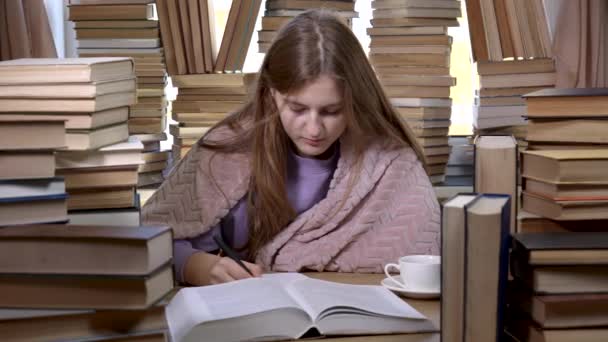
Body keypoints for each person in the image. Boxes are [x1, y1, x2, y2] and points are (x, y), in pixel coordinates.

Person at [142, 9, 440, 286]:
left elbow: (426, 257)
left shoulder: (389, 161)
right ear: (271, 96)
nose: (313, 129)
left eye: (332, 111)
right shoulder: (227, 150)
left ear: (354, 103)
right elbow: (151, 237)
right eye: (297, 109)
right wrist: (196, 266)